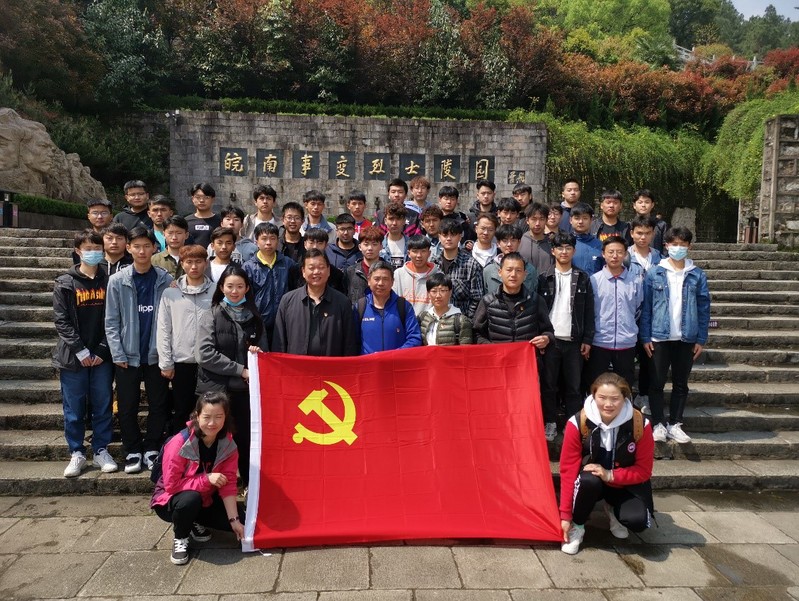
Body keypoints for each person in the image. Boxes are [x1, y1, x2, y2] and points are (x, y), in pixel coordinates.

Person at [558, 373, 654, 555]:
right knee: (589, 481)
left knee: (638, 522)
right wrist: (565, 516)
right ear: (593, 396)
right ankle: (578, 526)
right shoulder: (578, 422)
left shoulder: (641, 424)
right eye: (602, 397)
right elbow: (567, 470)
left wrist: (610, 475)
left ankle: (612, 509)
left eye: (615, 398)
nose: (608, 404)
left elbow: (644, 471)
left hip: (623, 485)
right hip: (590, 484)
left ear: (625, 398)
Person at [105, 227, 173, 474]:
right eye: (137, 246)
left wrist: (167, 354)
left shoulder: (165, 280)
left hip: (156, 354)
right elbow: (111, 321)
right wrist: (117, 352)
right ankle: (132, 449)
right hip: (127, 355)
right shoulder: (117, 280)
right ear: (129, 248)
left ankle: (152, 447)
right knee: (127, 405)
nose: (142, 251)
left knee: (158, 404)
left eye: (147, 246)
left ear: (155, 248)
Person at [151, 392, 245, 565]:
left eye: (218, 417)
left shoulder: (228, 443)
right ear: (197, 416)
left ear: (225, 417)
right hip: (172, 500)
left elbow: (229, 483)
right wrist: (206, 479)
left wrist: (235, 520)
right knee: (190, 499)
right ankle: (181, 537)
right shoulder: (179, 442)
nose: (212, 423)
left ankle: (193, 520)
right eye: (207, 417)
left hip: (206, 499)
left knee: (244, 523)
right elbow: (171, 486)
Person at [53, 230, 117, 477]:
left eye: (97, 248)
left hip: (102, 356)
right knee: (74, 408)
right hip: (73, 358)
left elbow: (116, 318)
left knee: (102, 405)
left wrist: (102, 349)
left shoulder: (110, 281)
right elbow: (61, 321)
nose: (93, 253)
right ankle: (77, 452)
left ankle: (101, 449)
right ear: (78, 251)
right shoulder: (65, 282)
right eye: (88, 248)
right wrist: (80, 350)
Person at [196, 265, 267, 486]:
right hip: (216, 390)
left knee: (246, 440)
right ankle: (210, 486)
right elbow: (204, 354)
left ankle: (249, 485)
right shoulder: (211, 315)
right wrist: (240, 369)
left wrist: (256, 354)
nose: (234, 291)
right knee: (213, 437)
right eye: (229, 286)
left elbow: (265, 354)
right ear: (221, 288)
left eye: (239, 286)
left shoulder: (255, 318)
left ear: (247, 288)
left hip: (245, 391)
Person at [640, 227, 710, 444]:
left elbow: (704, 308)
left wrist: (701, 338)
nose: (678, 248)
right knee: (656, 383)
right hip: (659, 337)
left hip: (686, 337)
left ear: (689, 246)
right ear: (666, 245)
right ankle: (658, 424)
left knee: (681, 383)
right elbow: (646, 307)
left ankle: (675, 423)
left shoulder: (697, 274)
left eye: (682, 244)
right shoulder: (655, 272)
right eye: (674, 244)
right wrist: (645, 337)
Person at [538, 232, 595, 441]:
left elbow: (589, 311)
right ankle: (550, 422)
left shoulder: (583, 277)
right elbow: (538, 311)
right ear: (553, 251)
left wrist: (587, 339)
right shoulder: (543, 277)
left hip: (574, 341)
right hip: (550, 341)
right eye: (560, 248)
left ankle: (573, 424)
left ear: (574, 251)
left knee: (574, 386)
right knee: (549, 385)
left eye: (568, 248)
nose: (564, 252)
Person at [157, 244, 214, 433]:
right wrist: (166, 362)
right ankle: (180, 447)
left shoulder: (216, 291)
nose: (194, 266)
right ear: (182, 264)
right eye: (189, 262)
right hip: (181, 361)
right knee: (182, 410)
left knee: (209, 410)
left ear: (206, 263)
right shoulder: (170, 293)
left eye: (198, 261)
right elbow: (164, 328)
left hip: (210, 362)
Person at [272, 249, 359, 356]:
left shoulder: (342, 302)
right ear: (303, 271)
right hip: (296, 365)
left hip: (331, 365)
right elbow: (279, 342)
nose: (316, 272)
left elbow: (349, 344)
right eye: (311, 268)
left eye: (321, 267)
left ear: (328, 271)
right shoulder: (288, 301)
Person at [586, 237, 643, 391]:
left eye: (619, 252)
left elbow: (638, 308)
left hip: (626, 342)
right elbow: (590, 311)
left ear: (625, 254)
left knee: (624, 387)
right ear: (603, 254)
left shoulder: (635, 281)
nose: (615, 256)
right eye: (611, 252)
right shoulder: (594, 281)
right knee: (597, 386)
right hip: (599, 342)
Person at [473, 252, 554, 351]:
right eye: (509, 270)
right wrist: (491, 348)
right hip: (497, 357)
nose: (513, 275)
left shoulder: (536, 300)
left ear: (525, 274)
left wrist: (546, 338)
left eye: (518, 270)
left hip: (526, 357)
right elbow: (477, 333)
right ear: (500, 272)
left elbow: (548, 331)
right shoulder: (488, 301)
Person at [627, 215, 663, 414]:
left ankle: (644, 394)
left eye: (647, 233)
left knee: (649, 358)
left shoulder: (660, 259)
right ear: (631, 233)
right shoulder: (624, 257)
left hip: (654, 316)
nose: (643, 237)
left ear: (653, 234)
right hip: (629, 315)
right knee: (626, 359)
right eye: (639, 233)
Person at [243, 222, 300, 348]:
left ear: (278, 241)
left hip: (285, 322)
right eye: (264, 239)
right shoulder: (248, 267)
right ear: (256, 241)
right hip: (258, 323)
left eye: (272, 238)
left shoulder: (288, 264)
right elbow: (246, 298)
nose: (268, 243)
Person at [358, 260, 423, 354]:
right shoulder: (360, 306)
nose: (381, 283)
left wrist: (392, 355)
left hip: (396, 361)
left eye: (385, 279)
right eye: (376, 279)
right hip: (368, 362)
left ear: (392, 282)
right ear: (369, 281)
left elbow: (415, 338)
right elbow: (352, 340)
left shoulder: (403, 306)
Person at [434, 218, 484, 319]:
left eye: (453, 234)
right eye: (445, 235)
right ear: (439, 236)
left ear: (460, 236)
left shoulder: (471, 265)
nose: (449, 238)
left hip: (461, 322)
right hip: (436, 319)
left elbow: (477, 298)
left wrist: (465, 320)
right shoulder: (433, 263)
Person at [418, 273, 474, 346]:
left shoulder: (461, 321)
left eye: (443, 291)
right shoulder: (423, 317)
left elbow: (465, 349)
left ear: (450, 292)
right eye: (434, 291)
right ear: (428, 293)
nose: (438, 296)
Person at [392, 235, 439, 317]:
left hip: (429, 323)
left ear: (429, 253)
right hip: (404, 322)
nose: (419, 255)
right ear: (408, 253)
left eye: (423, 251)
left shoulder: (438, 276)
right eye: (415, 251)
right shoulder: (398, 274)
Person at [484, 224, 537, 295]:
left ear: (519, 242)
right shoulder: (489, 270)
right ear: (498, 243)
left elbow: (533, 295)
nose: (509, 244)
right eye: (505, 240)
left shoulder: (530, 269)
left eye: (513, 240)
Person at [301, 228, 347, 294]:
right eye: (311, 243)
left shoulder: (336, 274)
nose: (315, 247)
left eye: (319, 243)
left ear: (326, 245)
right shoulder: (295, 271)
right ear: (305, 244)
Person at [345, 225, 383, 304]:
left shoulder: (390, 271)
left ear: (381, 247)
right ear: (360, 247)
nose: (370, 248)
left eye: (374, 244)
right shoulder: (350, 272)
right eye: (366, 244)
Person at [519, 202, 554, 275]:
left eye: (541, 219)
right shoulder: (520, 241)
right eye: (534, 219)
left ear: (546, 220)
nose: (537, 223)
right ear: (527, 220)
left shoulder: (552, 243)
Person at [570, 203, 603, 276]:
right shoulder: (565, 244)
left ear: (591, 220)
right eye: (577, 218)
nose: (580, 222)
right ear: (571, 220)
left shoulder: (600, 245)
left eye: (585, 218)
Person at [152, 215, 189, 279]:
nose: (174, 237)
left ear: (186, 235)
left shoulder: (194, 258)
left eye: (179, 233)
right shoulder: (154, 260)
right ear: (164, 234)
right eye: (170, 233)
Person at [185, 183, 221, 248]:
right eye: (198, 197)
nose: (201, 200)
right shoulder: (186, 222)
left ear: (213, 199)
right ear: (192, 199)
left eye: (206, 197)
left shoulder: (220, 221)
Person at [380, 203, 410, 269]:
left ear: (404, 221)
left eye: (398, 219)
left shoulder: (412, 245)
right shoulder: (379, 245)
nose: (394, 223)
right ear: (385, 221)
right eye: (391, 219)